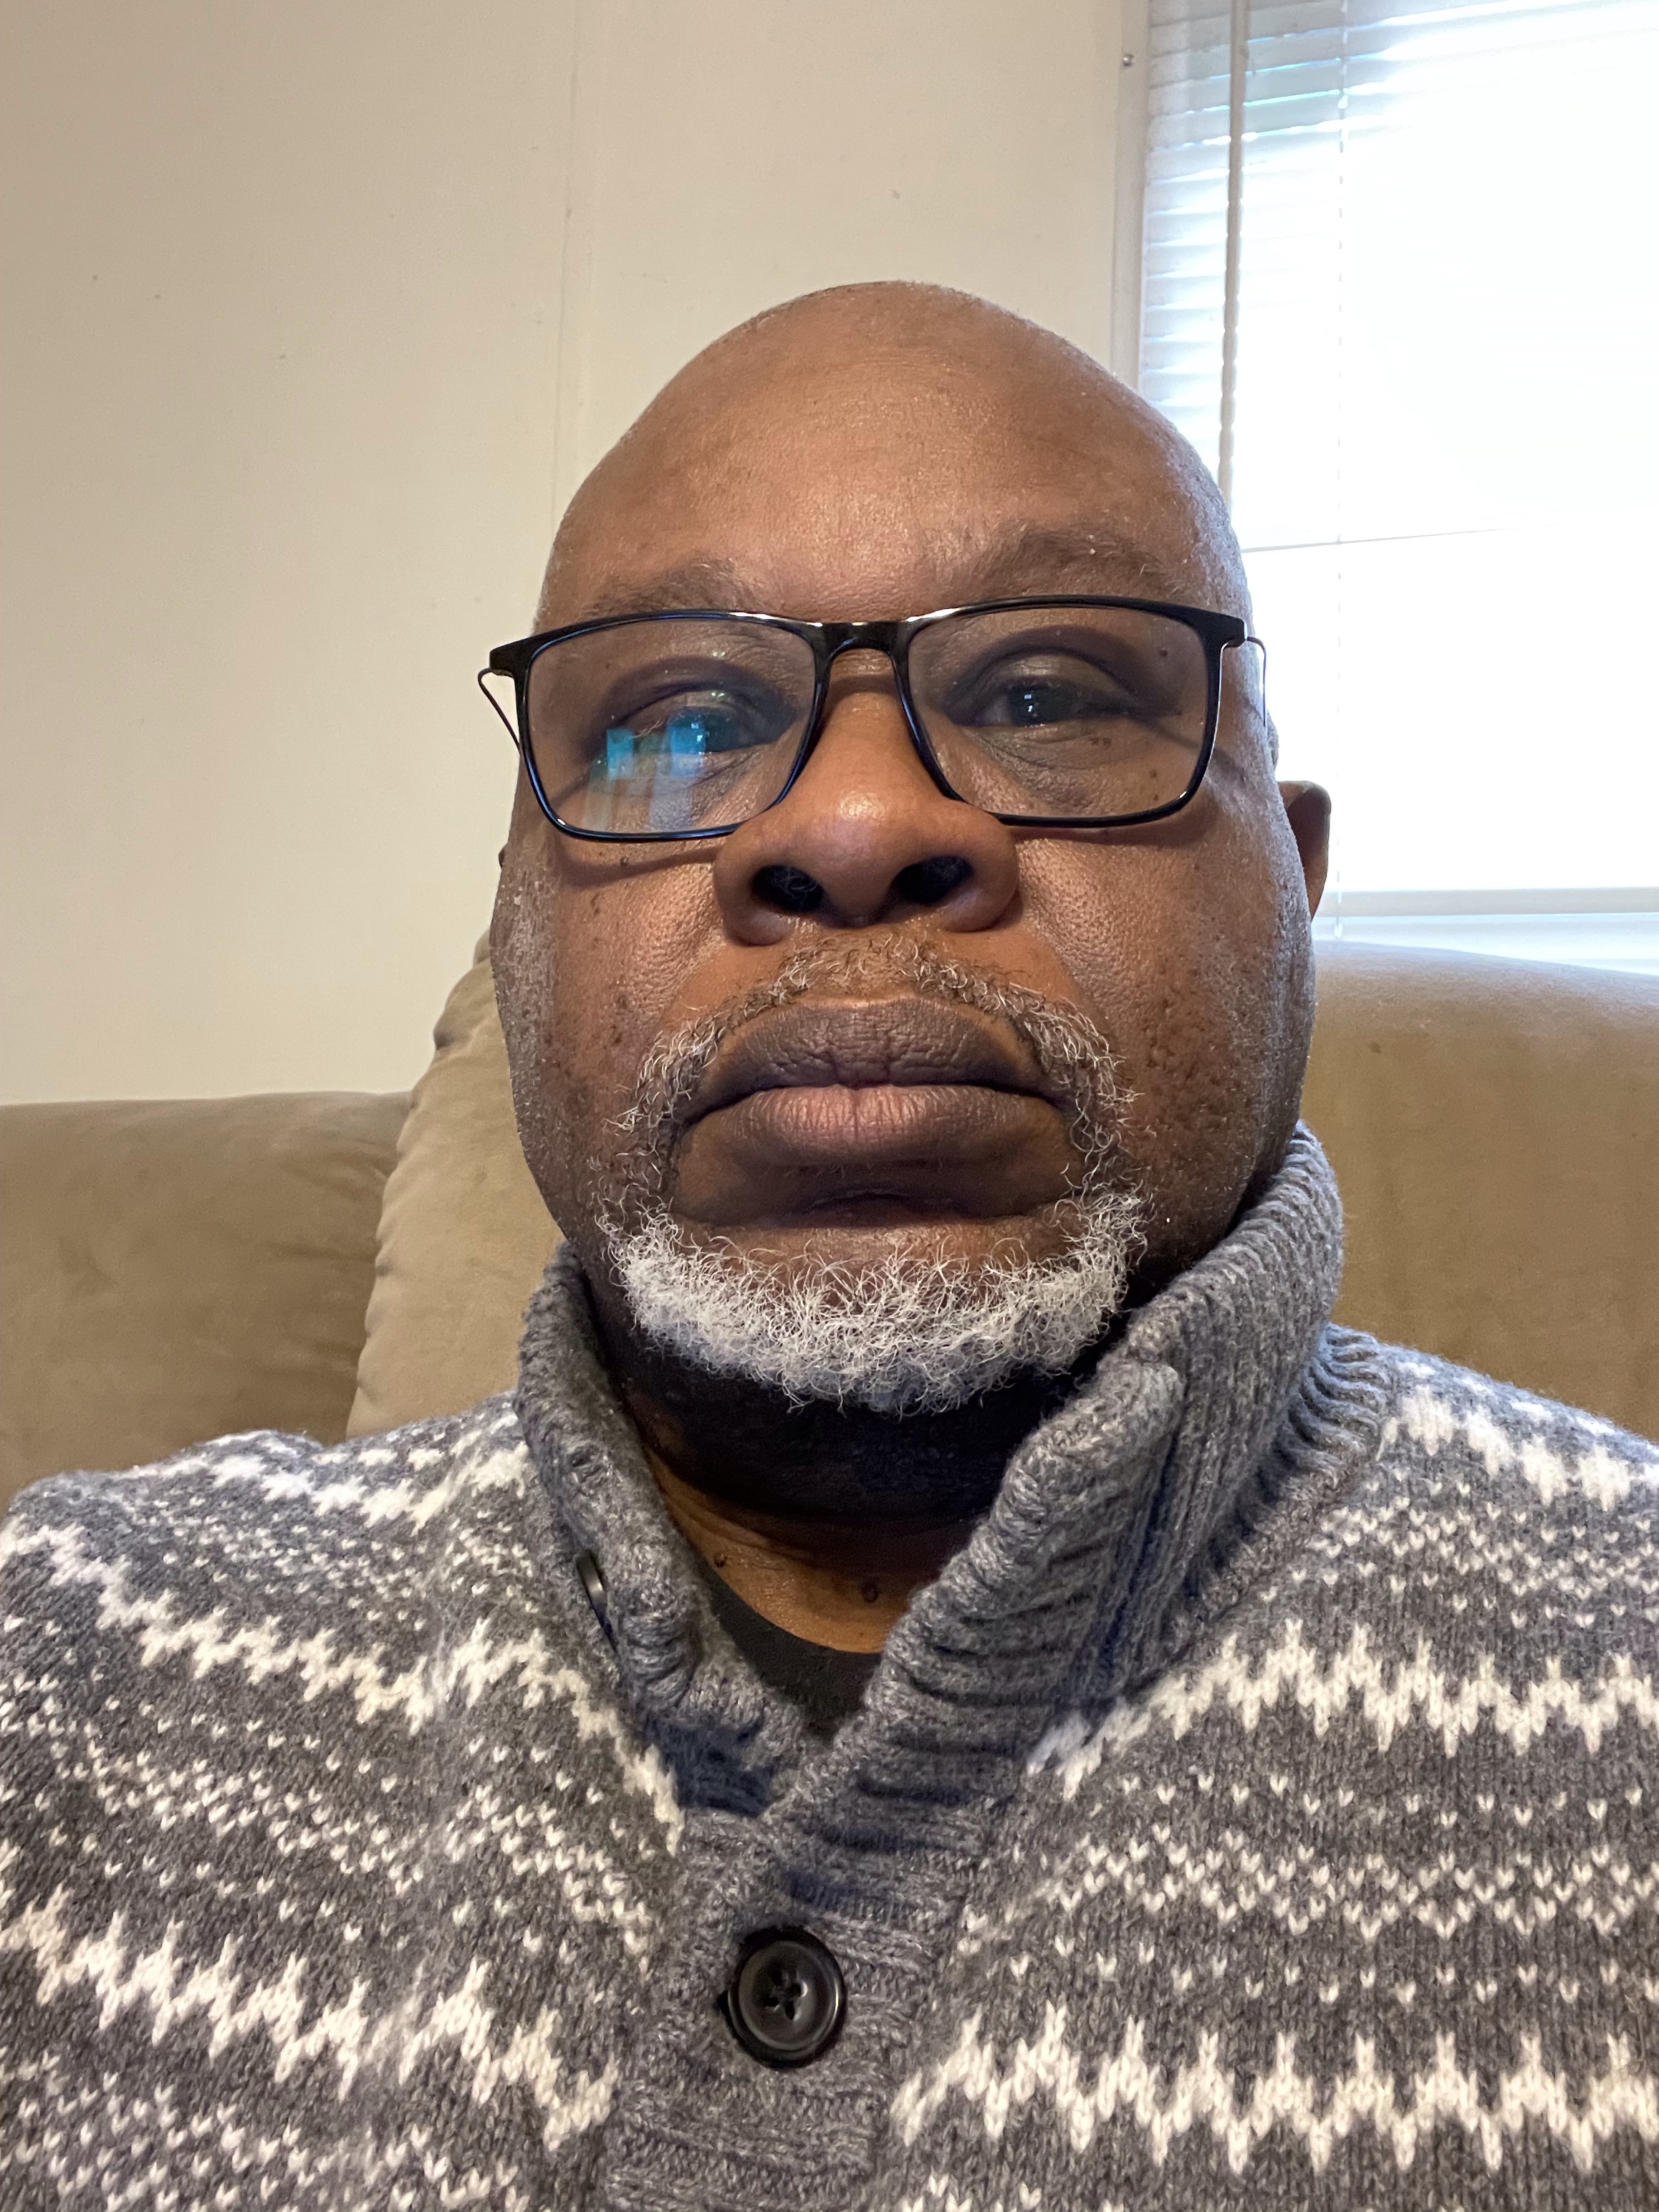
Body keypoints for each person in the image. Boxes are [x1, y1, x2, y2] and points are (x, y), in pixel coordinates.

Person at [1, 284, 1653, 2212]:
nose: (856, 823)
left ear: (1287, 881)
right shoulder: (64, 1654)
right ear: (519, 918)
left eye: (1045, 697)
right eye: (682, 719)